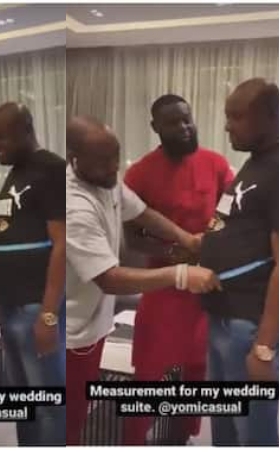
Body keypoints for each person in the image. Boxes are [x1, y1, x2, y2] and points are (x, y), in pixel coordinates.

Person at [65, 116, 222, 445]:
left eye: (116, 156)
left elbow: (141, 212)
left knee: (78, 406)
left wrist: (187, 239)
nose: (113, 167)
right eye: (103, 160)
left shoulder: (106, 180)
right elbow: (109, 279)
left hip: (95, 322)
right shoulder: (75, 207)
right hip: (72, 332)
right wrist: (181, 273)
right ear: (74, 158)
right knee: (71, 415)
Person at [121, 95, 234, 445]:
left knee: (197, 369)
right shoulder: (139, 173)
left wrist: (210, 241)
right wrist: (175, 252)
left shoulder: (216, 163)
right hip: (162, 287)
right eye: (173, 122)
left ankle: (184, 436)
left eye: (187, 119)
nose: (184, 127)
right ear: (155, 128)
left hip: (207, 287)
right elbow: (132, 238)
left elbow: (230, 213)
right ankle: (135, 440)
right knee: (150, 371)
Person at [200, 78, 279, 445]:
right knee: (225, 429)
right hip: (223, 316)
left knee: (251, 433)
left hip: (249, 325)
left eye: (237, 117)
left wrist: (264, 346)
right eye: (227, 116)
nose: (227, 126)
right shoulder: (256, 164)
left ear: (272, 116)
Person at [0, 102, 68, 445]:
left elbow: (62, 244)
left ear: (26, 130)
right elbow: (10, 234)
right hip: (9, 307)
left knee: (47, 405)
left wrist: (48, 315)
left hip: (35, 307)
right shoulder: (16, 173)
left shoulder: (51, 169)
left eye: (0, 137)